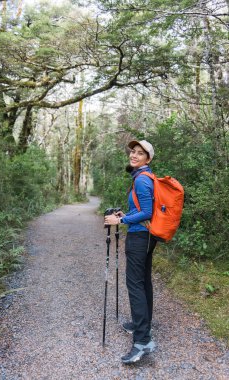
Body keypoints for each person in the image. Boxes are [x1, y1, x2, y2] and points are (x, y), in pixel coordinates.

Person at [104, 139, 157, 365]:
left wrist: (121, 219)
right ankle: (140, 324)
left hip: (140, 237)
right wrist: (126, 213)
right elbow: (140, 209)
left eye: (139, 153)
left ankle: (142, 341)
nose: (133, 155)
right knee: (143, 282)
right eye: (132, 152)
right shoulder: (142, 177)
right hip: (145, 236)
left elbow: (147, 212)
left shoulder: (143, 180)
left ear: (148, 158)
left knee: (135, 284)